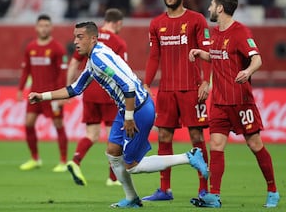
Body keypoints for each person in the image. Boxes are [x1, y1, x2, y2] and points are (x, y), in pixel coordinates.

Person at [28, 21, 209, 208]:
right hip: (127, 109)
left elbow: (129, 86)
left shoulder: (99, 59)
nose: (75, 41)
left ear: (93, 39)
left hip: (138, 110)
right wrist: (42, 96)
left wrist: (129, 118)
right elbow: (75, 89)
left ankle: (189, 157)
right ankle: (131, 198)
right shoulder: (93, 58)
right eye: (74, 37)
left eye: (80, 37)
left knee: (133, 166)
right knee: (113, 153)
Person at [188, 0, 280, 208]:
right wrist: (202, 53)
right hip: (219, 102)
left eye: (212, 4)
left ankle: (272, 190)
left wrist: (247, 73)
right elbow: (219, 57)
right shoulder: (215, 33)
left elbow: (257, 60)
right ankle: (214, 196)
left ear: (220, 8)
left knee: (254, 143)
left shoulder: (240, 32)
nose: (209, 8)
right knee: (217, 145)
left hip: (240, 100)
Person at [142, 0, 211, 201]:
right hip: (166, 90)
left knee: (196, 135)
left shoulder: (196, 19)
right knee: (163, 136)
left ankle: (203, 189)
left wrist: (206, 81)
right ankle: (165, 189)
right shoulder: (156, 24)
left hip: (191, 88)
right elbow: (154, 57)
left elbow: (207, 53)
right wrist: (146, 83)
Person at [66, 8, 127, 186]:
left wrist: (69, 89)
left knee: (91, 134)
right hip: (108, 94)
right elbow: (122, 70)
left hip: (89, 91)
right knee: (113, 137)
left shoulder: (88, 38)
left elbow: (73, 63)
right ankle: (112, 178)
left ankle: (75, 161)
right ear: (118, 23)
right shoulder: (118, 42)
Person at [17, 14, 68, 172]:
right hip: (34, 95)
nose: (44, 28)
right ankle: (35, 158)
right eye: (41, 25)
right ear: (36, 28)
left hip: (52, 95)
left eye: (47, 25)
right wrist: (20, 88)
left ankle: (63, 161)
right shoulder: (30, 47)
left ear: (51, 28)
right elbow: (26, 70)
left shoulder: (57, 48)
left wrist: (61, 95)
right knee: (28, 123)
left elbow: (62, 73)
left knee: (58, 124)